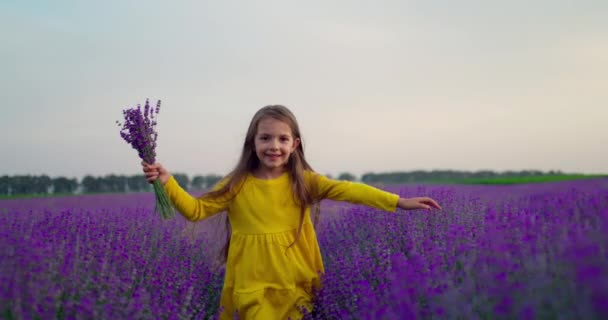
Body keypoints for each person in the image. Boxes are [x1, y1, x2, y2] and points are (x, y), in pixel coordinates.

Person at [141, 105, 442, 319]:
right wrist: (168, 182)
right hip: (253, 285)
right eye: (265, 138)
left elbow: (351, 190)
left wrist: (398, 201)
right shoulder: (237, 185)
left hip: (297, 281)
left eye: (283, 139)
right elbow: (196, 211)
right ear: (253, 143)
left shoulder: (304, 182)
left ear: (295, 145)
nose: (274, 146)